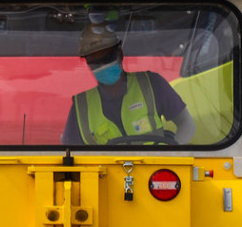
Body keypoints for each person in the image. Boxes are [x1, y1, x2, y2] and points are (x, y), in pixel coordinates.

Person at [60, 23, 195, 146]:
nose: (102, 66)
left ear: (120, 53)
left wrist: (172, 155)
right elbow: (69, 150)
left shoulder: (153, 84)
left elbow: (186, 124)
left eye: (107, 58)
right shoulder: (81, 106)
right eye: (95, 62)